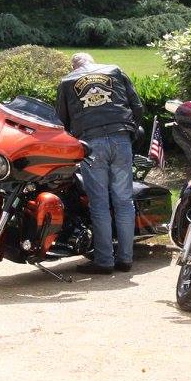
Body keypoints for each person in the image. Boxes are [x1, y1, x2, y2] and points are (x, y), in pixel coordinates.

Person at [56, 53, 144, 274]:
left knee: (99, 204)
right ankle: (125, 259)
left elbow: (61, 121)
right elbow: (137, 106)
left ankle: (104, 261)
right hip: (121, 138)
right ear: (92, 61)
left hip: (91, 143)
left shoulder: (67, 81)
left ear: (74, 66)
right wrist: (131, 133)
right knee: (124, 201)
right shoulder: (115, 70)